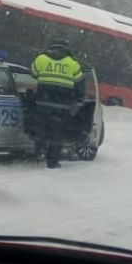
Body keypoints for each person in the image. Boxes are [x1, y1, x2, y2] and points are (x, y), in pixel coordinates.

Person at [30, 38, 84, 169]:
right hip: (61, 106)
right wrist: (79, 99)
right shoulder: (73, 64)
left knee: (40, 129)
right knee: (56, 134)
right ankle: (52, 161)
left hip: (42, 102)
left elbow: (33, 74)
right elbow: (80, 85)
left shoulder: (41, 59)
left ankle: (39, 150)